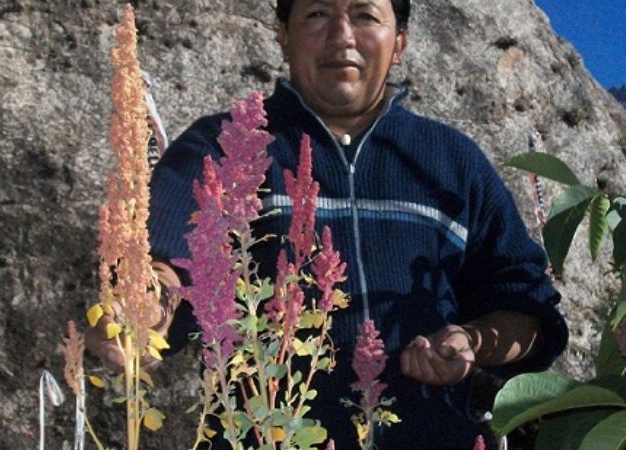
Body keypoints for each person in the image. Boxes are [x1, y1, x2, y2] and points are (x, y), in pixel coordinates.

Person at [91, 0, 569, 448]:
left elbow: (527, 307)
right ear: (282, 35)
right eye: (318, 13)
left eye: (365, 15)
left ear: (399, 42)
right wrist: (147, 304)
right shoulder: (223, 147)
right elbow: (167, 256)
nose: (342, 36)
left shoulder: (453, 163)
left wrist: (473, 342)